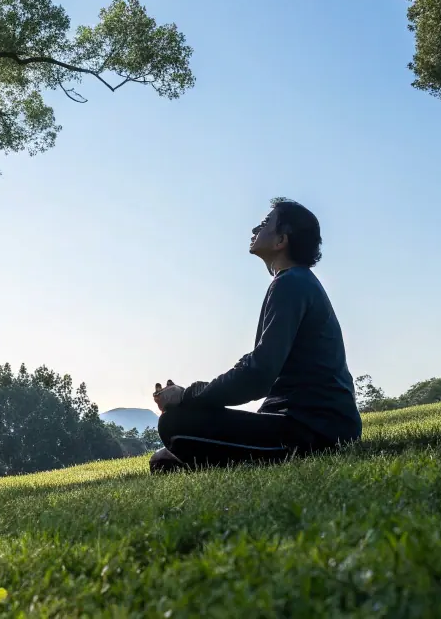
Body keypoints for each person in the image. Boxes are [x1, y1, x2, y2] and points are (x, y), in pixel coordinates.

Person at [149, 198, 360, 473]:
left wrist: (187, 395)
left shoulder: (291, 283)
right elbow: (259, 368)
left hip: (318, 431)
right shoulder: (295, 282)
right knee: (180, 427)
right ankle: (186, 458)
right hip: (313, 424)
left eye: (264, 223)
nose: (254, 229)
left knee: (175, 422)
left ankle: (186, 456)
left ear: (281, 240)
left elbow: (257, 375)